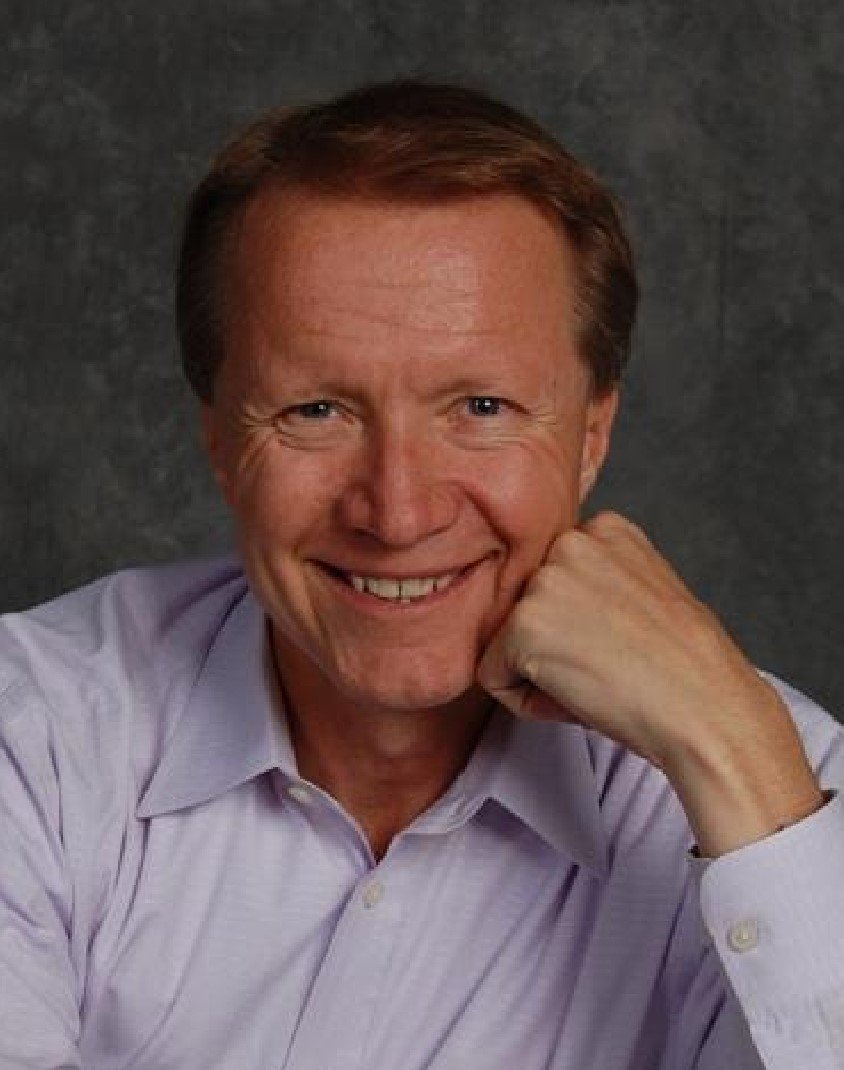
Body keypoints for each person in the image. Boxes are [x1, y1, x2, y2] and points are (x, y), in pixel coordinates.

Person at [1, 81, 842, 1070]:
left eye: (480, 406)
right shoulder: (37, 738)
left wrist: (734, 752)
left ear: (590, 436)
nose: (398, 512)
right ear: (222, 441)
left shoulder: (783, 796)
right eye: (316, 410)